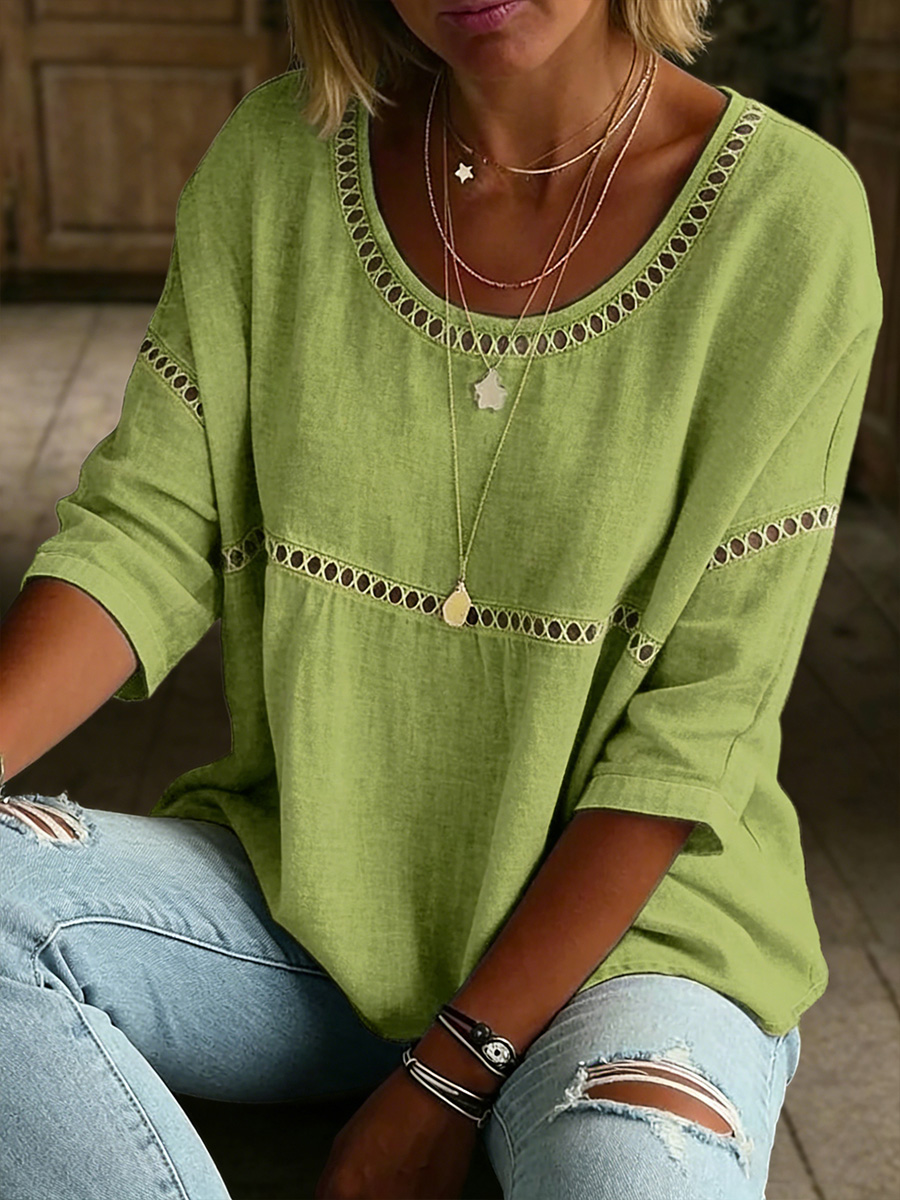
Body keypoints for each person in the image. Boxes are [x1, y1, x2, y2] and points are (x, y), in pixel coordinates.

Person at [0, 1, 883, 1197]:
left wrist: (446, 1078)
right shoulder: (278, 162)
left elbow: (695, 732)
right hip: (308, 902)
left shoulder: (786, 219)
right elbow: (146, 532)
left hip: (636, 950)